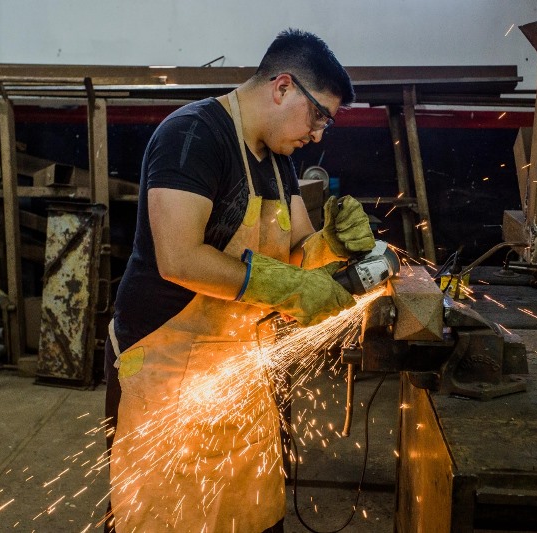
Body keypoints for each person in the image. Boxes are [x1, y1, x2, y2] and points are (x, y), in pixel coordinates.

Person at [105, 29, 375, 532]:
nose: (318, 135)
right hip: (167, 363)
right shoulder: (191, 135)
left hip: (238, 362)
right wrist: (289, 288)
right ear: (283, 87)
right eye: (319, 116)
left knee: (247, 513)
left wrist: (330, 246)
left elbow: (295, 256)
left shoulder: (278, 161)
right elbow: (178, 258)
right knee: (167, 516)